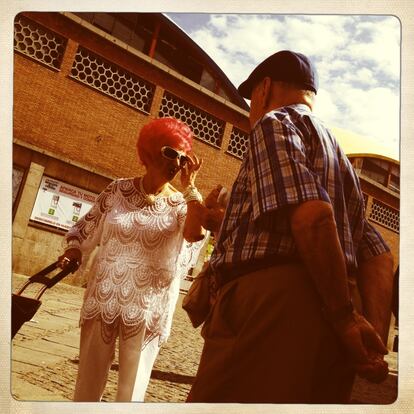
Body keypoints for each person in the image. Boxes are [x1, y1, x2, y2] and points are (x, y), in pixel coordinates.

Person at [187, 50, 394, 403]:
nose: (252, 108)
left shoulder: (275, 123)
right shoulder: (341, 159)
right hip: (329, 308)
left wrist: (346, 319)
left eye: (252, 98)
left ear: (264, 88)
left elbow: (312, 217)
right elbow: (378, 254)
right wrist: (369, 333)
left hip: (273, 307)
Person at [58, 117, 207, 402]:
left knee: (131, 393)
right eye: (169, 152)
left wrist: (191, 189)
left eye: (182, 156)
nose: (176, 161)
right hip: (103, 299)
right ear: (149, 151)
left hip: (147, 309)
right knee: (86, 388)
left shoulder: (180, 204)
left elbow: (194, 235)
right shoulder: (117, 190)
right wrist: (74, 251)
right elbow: (85, 229)